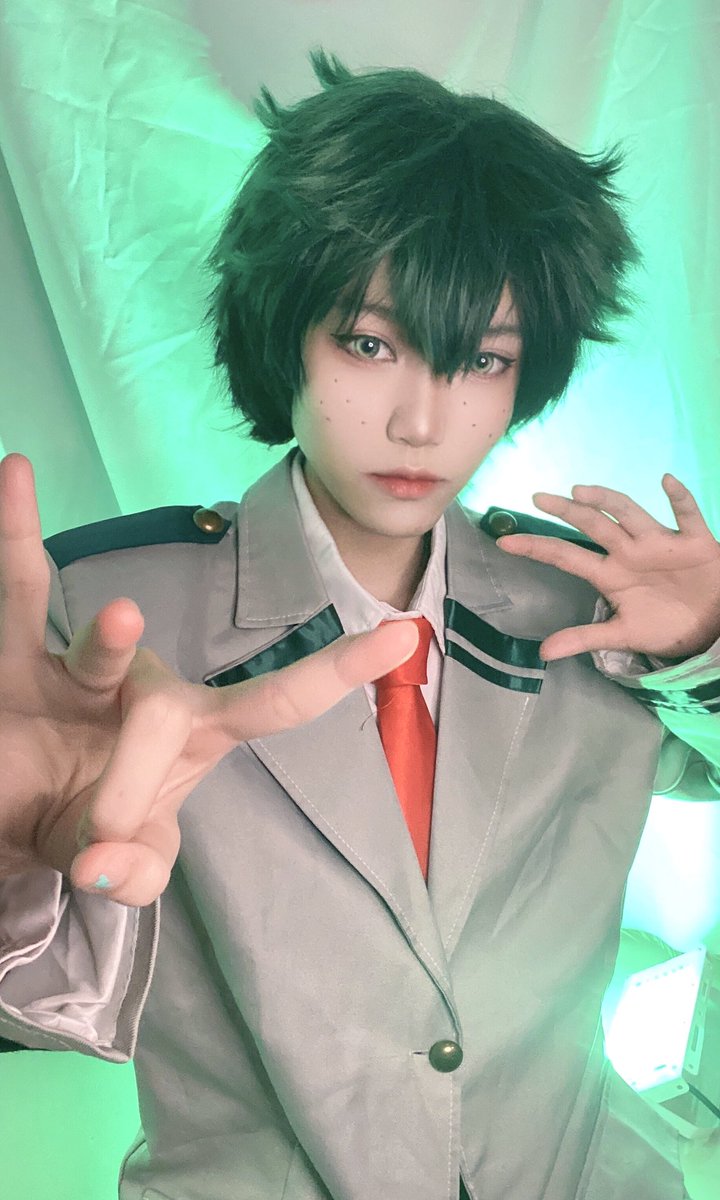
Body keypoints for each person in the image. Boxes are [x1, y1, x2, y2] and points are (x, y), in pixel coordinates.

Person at [1, 47, 719, 1200]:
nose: (422, 420)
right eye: (369, 343)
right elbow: (36, 1001)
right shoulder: (103, 615)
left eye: (480, 359)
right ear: (283, 328)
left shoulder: (590, 607)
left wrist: (709, 653)